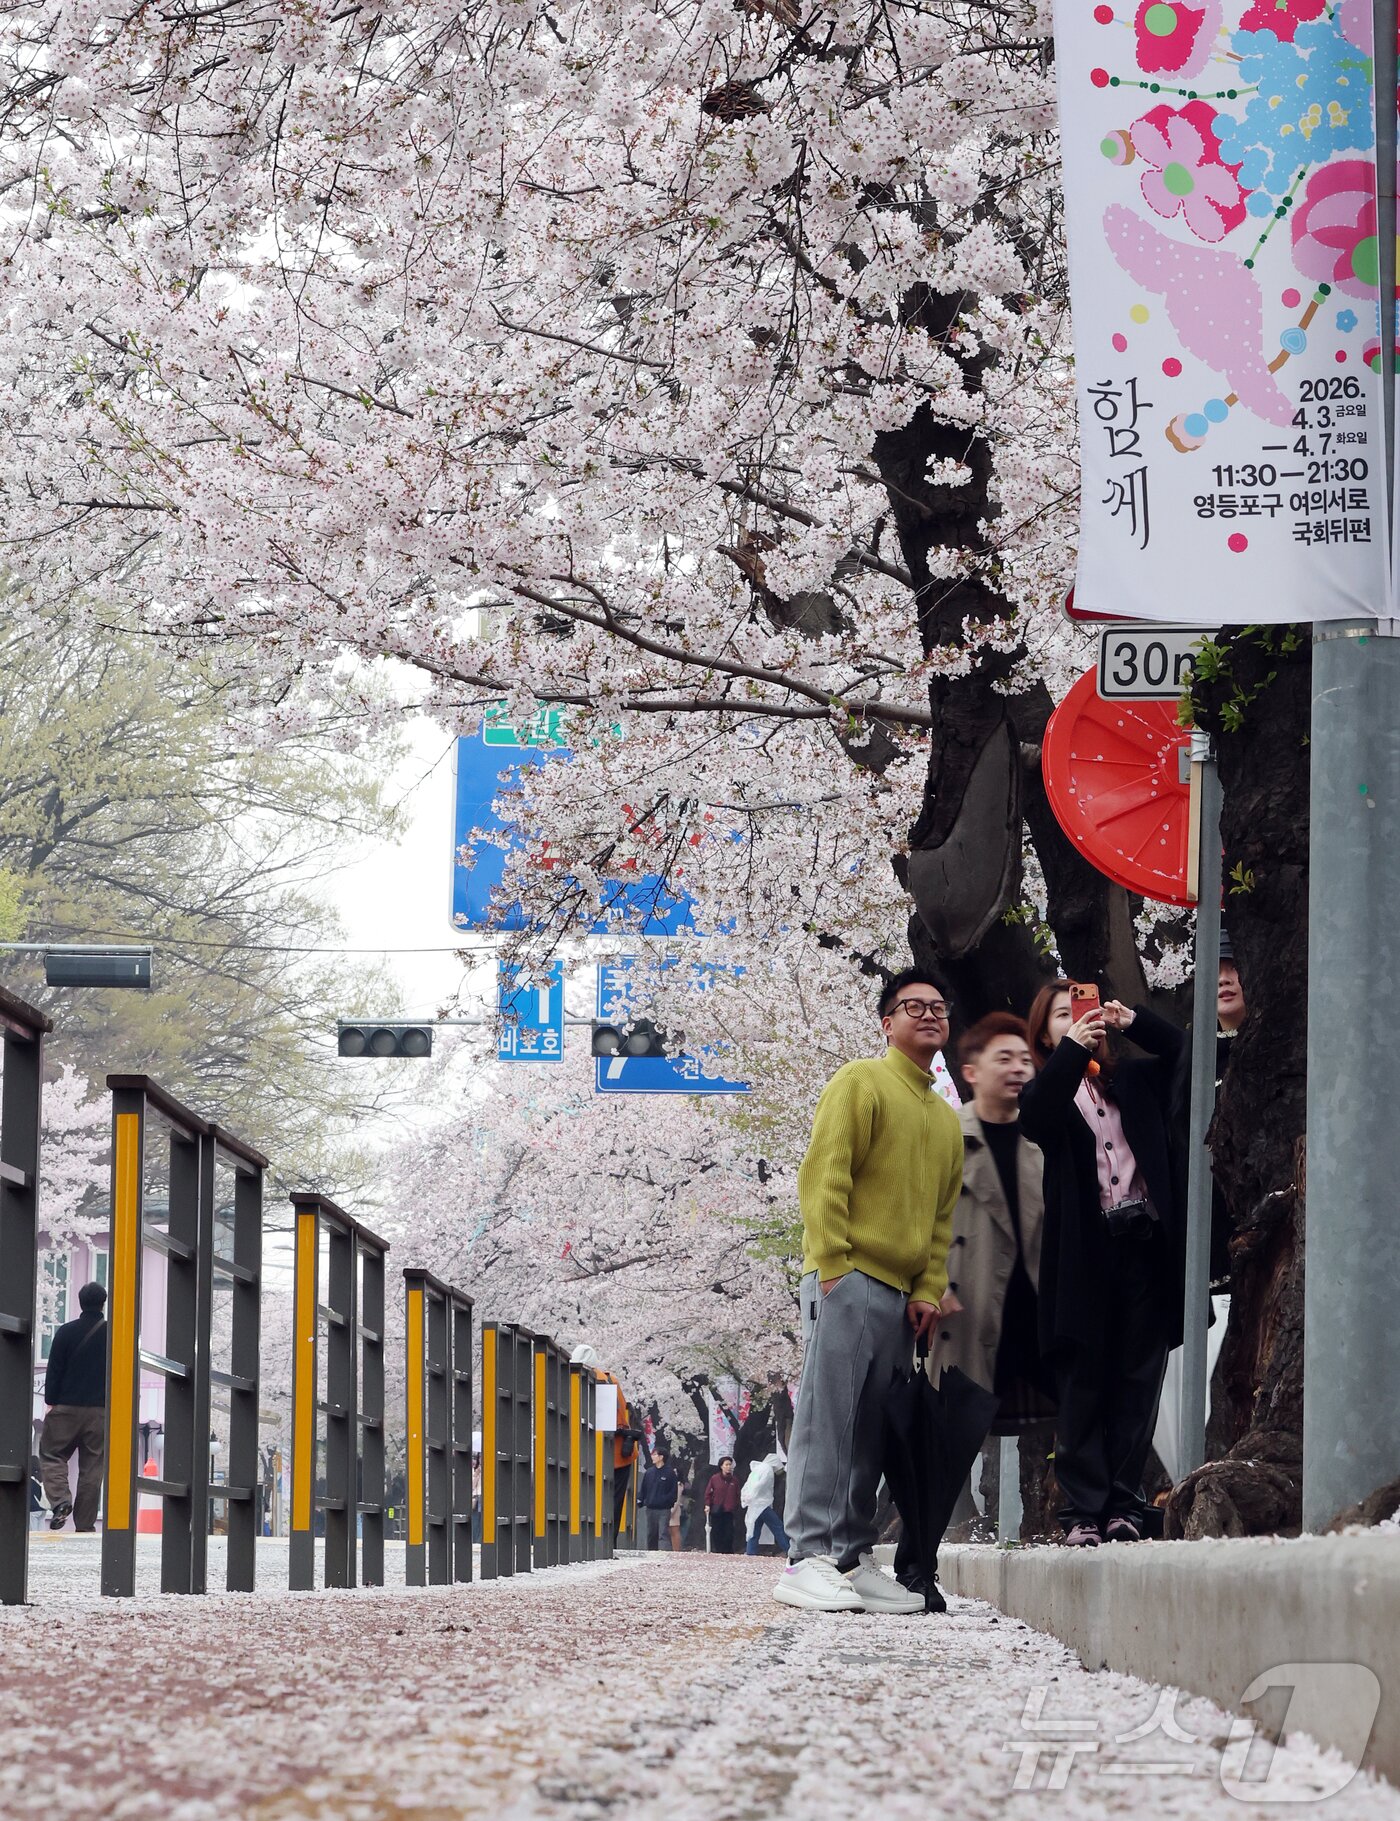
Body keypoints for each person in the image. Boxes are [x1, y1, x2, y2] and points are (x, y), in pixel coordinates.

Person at [775, 967, 963, 1614]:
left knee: (870, 1435)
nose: (930, 1015)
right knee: (829, 1419)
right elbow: (824, 1173)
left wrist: (928, 1288)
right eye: (914, 1006)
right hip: (848, 1275)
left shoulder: (943, 1119)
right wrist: (831, 1263)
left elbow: (941, 1220)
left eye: (939, 1006)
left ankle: (850, 1557)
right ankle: (807, 1555)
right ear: (887, 1022)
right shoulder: (861, 1082)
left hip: (899, 1293)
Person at [1020, 982, 1185, 1547]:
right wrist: (1071, 1050)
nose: (1079, 1019)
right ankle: (1082, 1511)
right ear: (1046, 1033)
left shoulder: (1134, 1080)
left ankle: (1123, 1504)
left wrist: (1132, 1020)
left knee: (1138, 1379)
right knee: (1084, 1379)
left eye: (1084, 1009)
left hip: (1145, 1245)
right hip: (1085, 1256)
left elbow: (1188, 1054)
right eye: (1063, 1016)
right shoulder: (1047, 1090)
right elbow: (1037, 1118)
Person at [928, 1014, 1051, 1426]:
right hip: (966, 1310)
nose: (1018, 1068)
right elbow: (915, 1221)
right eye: (1004, 1058)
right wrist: (933, 1285)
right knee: (952, 1441)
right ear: (971, 1072)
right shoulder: (942, 1136)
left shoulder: (1046, 1138)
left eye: (1024, 1059)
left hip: (1037, 1317)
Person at [38, 1280, 108, 1532]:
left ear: (80, 1302)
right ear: (103, 1302)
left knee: (51, 1454)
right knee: (92, 1468)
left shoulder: (66, 1332)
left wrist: (51, 1401)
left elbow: (54, 1370)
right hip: (100, 1411)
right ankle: (85, 1525)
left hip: (66, 1408)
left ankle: (60, 1502)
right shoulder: (113, 1334)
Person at [570, 1344, 642, 1541]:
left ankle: (585, 1539)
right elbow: (622, 1417)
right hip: (619, 1452)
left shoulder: (574, 1380)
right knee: (614, 1500)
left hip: (589, 1451)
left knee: (587, 1497)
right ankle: (609, 1541)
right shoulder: (610, 1380)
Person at [742, 1452, 789, 1555]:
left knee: (754, 1529)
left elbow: (750, 1484)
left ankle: (751, 1551)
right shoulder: (767, 1470)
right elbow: (760, 1485)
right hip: (762, 1504)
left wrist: (748, 1497)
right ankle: (788, 1549)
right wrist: (753, 1495)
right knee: (777, 1526)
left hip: (755, 1504)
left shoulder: (758, 1469)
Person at [637, 1445, 679, 1550]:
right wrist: (641, 1500)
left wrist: (666, 1501)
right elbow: (643, 1489)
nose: (652, 1457)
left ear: (661, 1457)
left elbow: (673, 1492)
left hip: (664, 1509)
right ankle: (651, 1553)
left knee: (663, 1533)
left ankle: (664, 1553)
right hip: (650, 1508)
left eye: (655, 1454)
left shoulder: (670, 1473)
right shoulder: (649, 1472)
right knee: (651, 1533)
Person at [704, 1456, 741, 1553]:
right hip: (716, 1510)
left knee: (729, 1533)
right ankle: (718, 1551)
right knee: (717, 1532)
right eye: (726, 1465)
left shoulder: (734, 1480)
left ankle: (728, 1552)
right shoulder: (714, 1479)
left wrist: (735, 1506)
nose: (729, 1467)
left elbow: (737, 1495)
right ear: (721, 1466)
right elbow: (708, 1493)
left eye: (730, 1465)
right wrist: (707, 1505)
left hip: (729, 1511)